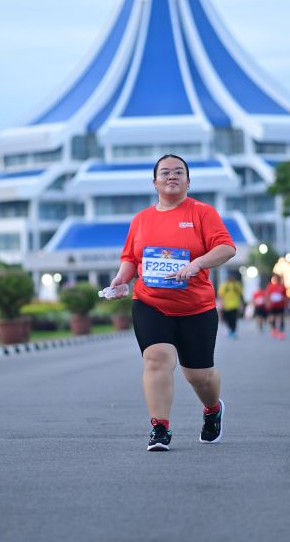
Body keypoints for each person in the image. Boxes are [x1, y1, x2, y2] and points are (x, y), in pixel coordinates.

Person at [108, 154, 236, 451]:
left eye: (179, 172)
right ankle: (160, 428)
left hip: (196, 308)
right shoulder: (141, 220)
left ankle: (213, 409)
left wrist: (197, 263)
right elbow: (130, 258)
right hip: (150, 302)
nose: (172, 176)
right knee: (157, 359)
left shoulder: (202, 213)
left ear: (188, 181)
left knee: (199, 376)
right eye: (165, 172)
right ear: (155, 182)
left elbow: (226, 248)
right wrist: (121, 279)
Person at [217, 273, 243, 338]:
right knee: (229, 319)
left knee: (232, 319)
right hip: (227, 305)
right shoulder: (225, 285)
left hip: (233, 305)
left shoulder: (236, 285)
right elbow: (220, 295)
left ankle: (232, 331)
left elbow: (240, 294)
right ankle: (231, 330)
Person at [265, 273, 287, 340]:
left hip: (280, 305)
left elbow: (285, 296)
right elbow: (267, 295)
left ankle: (281, 332)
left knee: (281, 317)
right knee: (272, 318)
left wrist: (286, 302)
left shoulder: (282, 286)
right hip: (272, 305)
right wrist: (267, 302)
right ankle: (274, 329)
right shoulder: (270, 286)